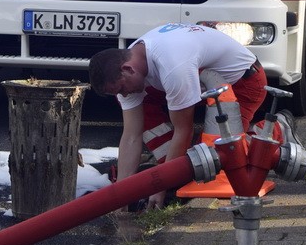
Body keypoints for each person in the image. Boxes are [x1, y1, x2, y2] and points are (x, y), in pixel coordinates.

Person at [88, 23, 268, 209]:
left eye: (121, 89)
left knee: (219, 159)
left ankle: (273, 131)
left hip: (243, 83)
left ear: (128, 69)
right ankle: (178, 170)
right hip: (204, 80)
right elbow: (131, 136)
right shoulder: (132, 63)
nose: (124, 94)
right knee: (194, 164)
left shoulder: (172, 65)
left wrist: (160, 187)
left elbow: (184, 130)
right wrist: (121, 196)